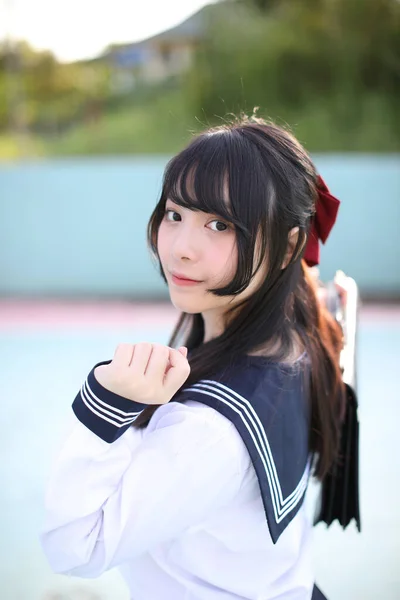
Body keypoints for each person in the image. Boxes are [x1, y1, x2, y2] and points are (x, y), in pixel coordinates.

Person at [41, 116, 348, 600]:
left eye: (220, 224)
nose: (181, 248)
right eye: (175, 214)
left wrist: (107, 401)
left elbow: (73, 548)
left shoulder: (207, 430)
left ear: (289, 246)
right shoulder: (308, 333)